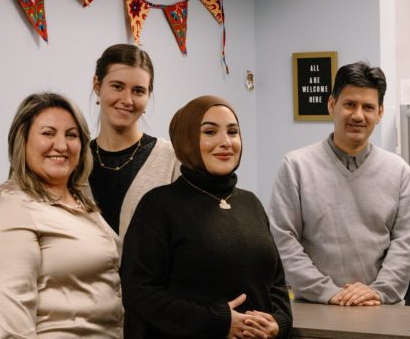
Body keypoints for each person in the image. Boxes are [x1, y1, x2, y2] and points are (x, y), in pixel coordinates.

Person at [121, 95, 291, 339]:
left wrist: (279, 322)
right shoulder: (158, 205)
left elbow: (276, 284)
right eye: (210, 132)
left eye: (233, 132)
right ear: (187, 140)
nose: (226, 142)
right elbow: (139, 292)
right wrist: (216, 322)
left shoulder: (251, 202)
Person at [267, 61, 410, 306]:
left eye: (368, 107)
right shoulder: (296, 166)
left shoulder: (399, 171)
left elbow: (405, 243)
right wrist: (328, 292)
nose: (358, 115)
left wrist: (379, 291)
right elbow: (283, 239)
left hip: (381, 309)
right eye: (349, 104)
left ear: (380, 113)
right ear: (332, 105)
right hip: (315, 309)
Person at [0, 92, 122, 338]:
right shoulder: (9, 208)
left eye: (71, 135)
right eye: (48, 133)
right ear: (22, 140)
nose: (62, 145)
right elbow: (10, 322)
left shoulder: (80, 199)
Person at [88, 44, 182, 238]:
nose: (127, 100)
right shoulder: (74, 160)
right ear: (97, 85)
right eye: (117, 86)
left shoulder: (171, 159)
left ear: (148, 95)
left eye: (138, 91)